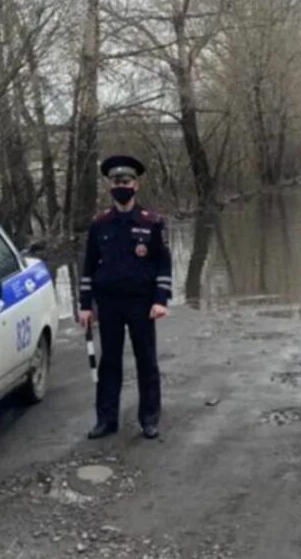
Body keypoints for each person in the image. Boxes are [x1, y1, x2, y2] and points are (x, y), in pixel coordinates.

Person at [79, 154, 172, 440]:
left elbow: (163, 264)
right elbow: (88, 266)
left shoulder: (151, 222)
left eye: (127, 181)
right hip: (109, 304)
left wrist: (161, 300)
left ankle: (149, 419)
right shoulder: (100, 224)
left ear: (136, 185)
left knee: (146, 360)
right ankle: (106, 420)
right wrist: (85, 306)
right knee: (110, 363)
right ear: (110, 187)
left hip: (142, 304)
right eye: (116, 181)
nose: (122, 185)